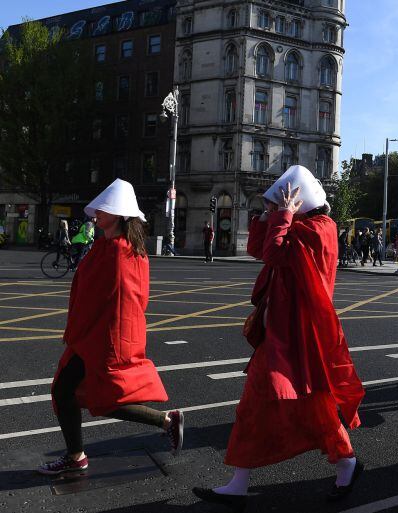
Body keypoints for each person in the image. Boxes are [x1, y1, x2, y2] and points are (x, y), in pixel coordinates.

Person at [193, 166, 365, 506]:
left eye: (282, 202)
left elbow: (274, 252)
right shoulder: (301, 226)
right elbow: (259, 249)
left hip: (297, 333)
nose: (277, 208)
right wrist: (265, 215)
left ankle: (343, 463)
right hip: (284, 332)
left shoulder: (319, 229)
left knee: (279, 404)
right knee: (304, 405)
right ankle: (344, 463)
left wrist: (283, 215)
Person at [38, 179, 182, 475]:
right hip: (94, 336)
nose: (97, 213)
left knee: (83, 394)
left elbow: (120, 302)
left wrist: (85, 335)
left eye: (104, 208)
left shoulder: (119, 251)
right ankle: (165, 422)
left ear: (118, 214)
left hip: (100, 339)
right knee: (90, 395)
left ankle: (77, 456)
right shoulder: (110, 246)